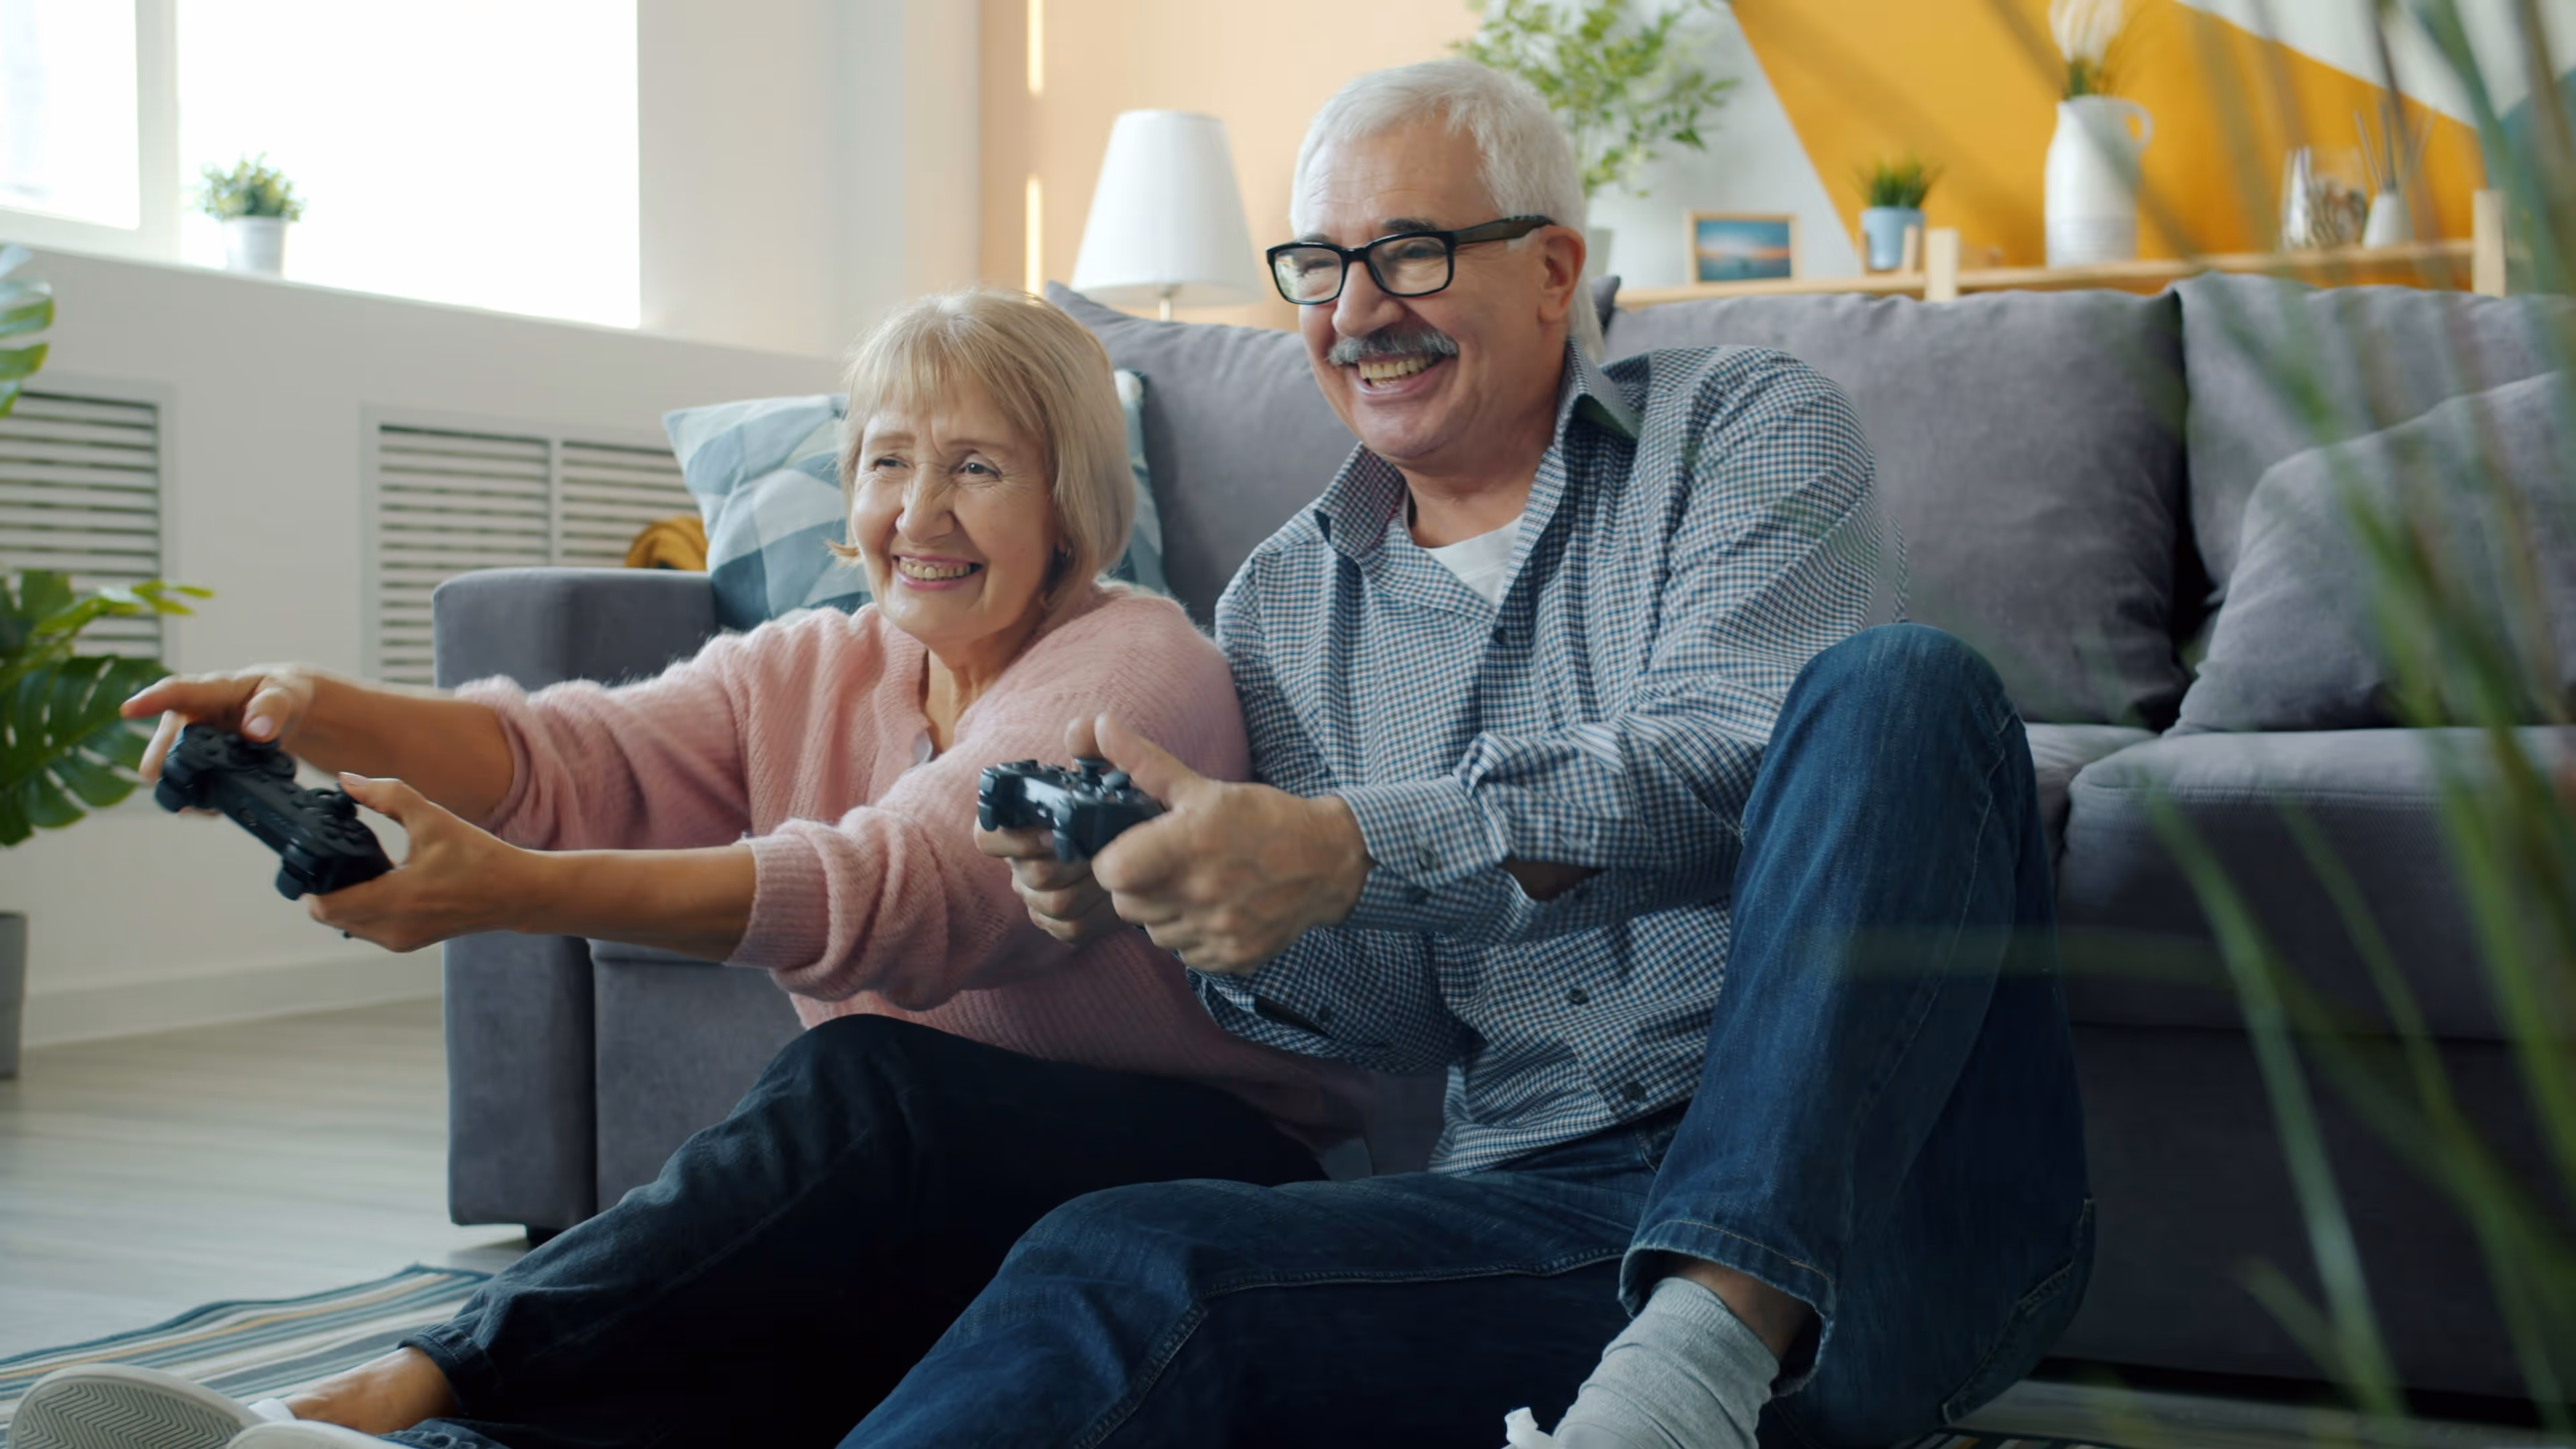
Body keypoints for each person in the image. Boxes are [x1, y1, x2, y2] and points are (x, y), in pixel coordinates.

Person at [863, 60, 2093, 1448]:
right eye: (1320, 266)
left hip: (1887, 1198)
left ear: (1554, 268)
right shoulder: (1279, 602)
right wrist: (1190, 905)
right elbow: (1391, 1018)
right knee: (1122, 1266)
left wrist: (1347, 843)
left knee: (1899, 689)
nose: (1359, 310)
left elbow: (1729, 761)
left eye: (1411, 254)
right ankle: (1665, 1395)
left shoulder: (1746, 427)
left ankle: (1695, 1364)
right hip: (1547, 1215)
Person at [12, 289, 1368, 1449]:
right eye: (888, 463)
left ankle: (388, 1392)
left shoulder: (1140, 667)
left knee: (861, 1083)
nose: (919, 511)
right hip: (936, 1198)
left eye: (978, 467)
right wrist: (309, 707)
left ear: (1071, 494)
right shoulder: (818, 662)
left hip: (1196, 1176)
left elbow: (914, 892)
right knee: (719, 1329)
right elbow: (563, 755)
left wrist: (512, 892)